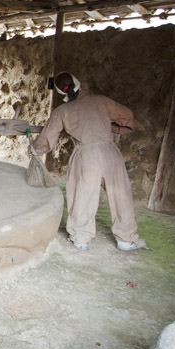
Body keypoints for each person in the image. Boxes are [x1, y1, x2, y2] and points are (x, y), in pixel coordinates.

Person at [32, 71, 147, 252]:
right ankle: (126, 239)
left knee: (83, 194)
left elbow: (47, 139)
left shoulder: (62, 111)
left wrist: (34, 149)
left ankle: (81, 238)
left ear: (61, 92)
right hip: (109, 152)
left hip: (86, 154)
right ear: (78, 83)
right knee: (121, 194)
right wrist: (114, 128)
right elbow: (127, 116)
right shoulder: (100, 101)